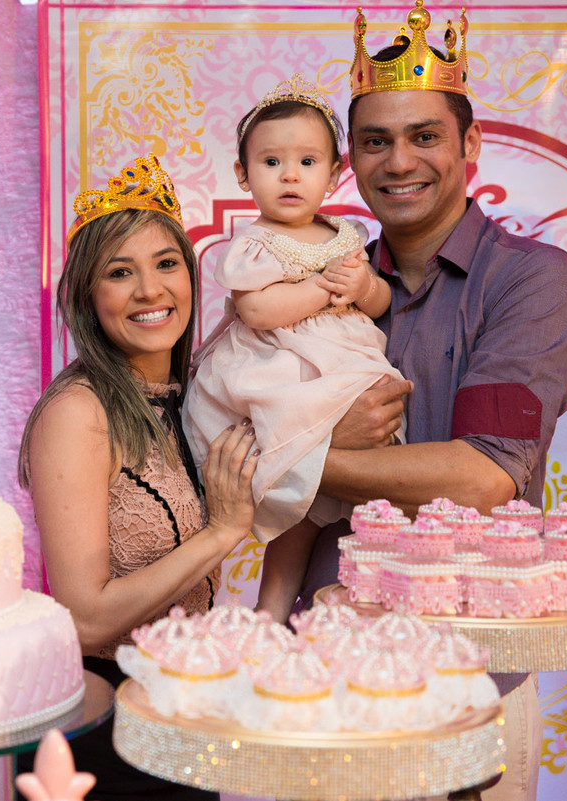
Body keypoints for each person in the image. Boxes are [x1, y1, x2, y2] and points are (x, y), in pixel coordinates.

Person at [299, 4, 567, 800]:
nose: (399, 161)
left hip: (472, 679)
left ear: (470, 144)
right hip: (332, 668)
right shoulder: (317, 290)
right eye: (375, 141)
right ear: (350, 160)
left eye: (424, 135)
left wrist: (304, 460)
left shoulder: (530, 280)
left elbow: (483, 477)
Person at [18, 154, 259, 800]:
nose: (151, 290)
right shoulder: (78, 413)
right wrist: (220, 533)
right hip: (105, 737)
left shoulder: (195, 396)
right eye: (120, 272)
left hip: (184, 721)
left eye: (166, 263)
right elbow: (86, 618)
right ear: (88, 298)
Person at [181, 74, 404, 623]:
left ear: (334, 174)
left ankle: (370, 593)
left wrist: (362, 286)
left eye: (307, 162)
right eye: (271, 162)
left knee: (337, 498)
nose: (290, 175)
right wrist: (323, 288)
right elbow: (257, 310)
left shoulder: (345, 235)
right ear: (243, 174)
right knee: (297, 502)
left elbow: (379, 301)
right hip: (280, 369)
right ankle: (270, 609)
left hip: (341, 364)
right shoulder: (256, 242)